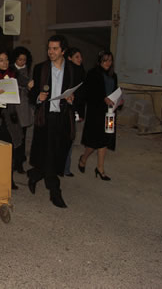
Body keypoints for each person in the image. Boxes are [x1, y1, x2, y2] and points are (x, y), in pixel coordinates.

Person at [27, 35, 78, 208]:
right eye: (49, 48)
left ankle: (34, 175)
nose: (51, 52)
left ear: (63, 51)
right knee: (48, 152)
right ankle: (55, 191)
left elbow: (80, 94)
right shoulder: (40, 68)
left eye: (55, 48)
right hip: (45, 117)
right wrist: (38, 97)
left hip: (63, 117)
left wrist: (73, 99)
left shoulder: (73, 69)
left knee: (57, 152)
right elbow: (31, 95)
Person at [78, 50, 119, 181]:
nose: (108, 63)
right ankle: (83, 158)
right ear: (100, 61)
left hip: (110, 113)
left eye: (110, 60)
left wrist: (118, 100)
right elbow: (88, 93)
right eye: (105, 60)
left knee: (106, 139)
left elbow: (115, 91)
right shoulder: (92, 73)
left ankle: (100, 168)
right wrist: (103, 98)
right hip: (96, 113)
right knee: (94, 141)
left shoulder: (114, 76)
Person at [0, 50, 25, 190]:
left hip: (11, 118)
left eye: (6, 59)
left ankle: (9, 179)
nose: (5, 63)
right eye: (1, 60)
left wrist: (29, 84)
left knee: (11, 150)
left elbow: (25, 81)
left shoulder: (14, 74)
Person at [62, 47, 86, 177]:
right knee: (64, 139)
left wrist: (80, 113)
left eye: (81, 57)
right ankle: (61, 167)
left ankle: (66, 168)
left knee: (70, 139)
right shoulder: (67, 72)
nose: (80, 59)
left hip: (75, 110)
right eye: (77, 57)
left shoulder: (81, 72)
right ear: (69, 58)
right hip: (66, 109)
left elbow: (82, 96)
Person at [10, 46, 34, 174]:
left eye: (24, 60)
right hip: (13, 107)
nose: (22, 62)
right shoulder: (11, 69)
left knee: (23, 137)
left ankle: (19, 162)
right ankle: (13, 161)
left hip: (24, 106)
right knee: (14, 136)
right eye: (20, 59)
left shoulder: (28, 70)